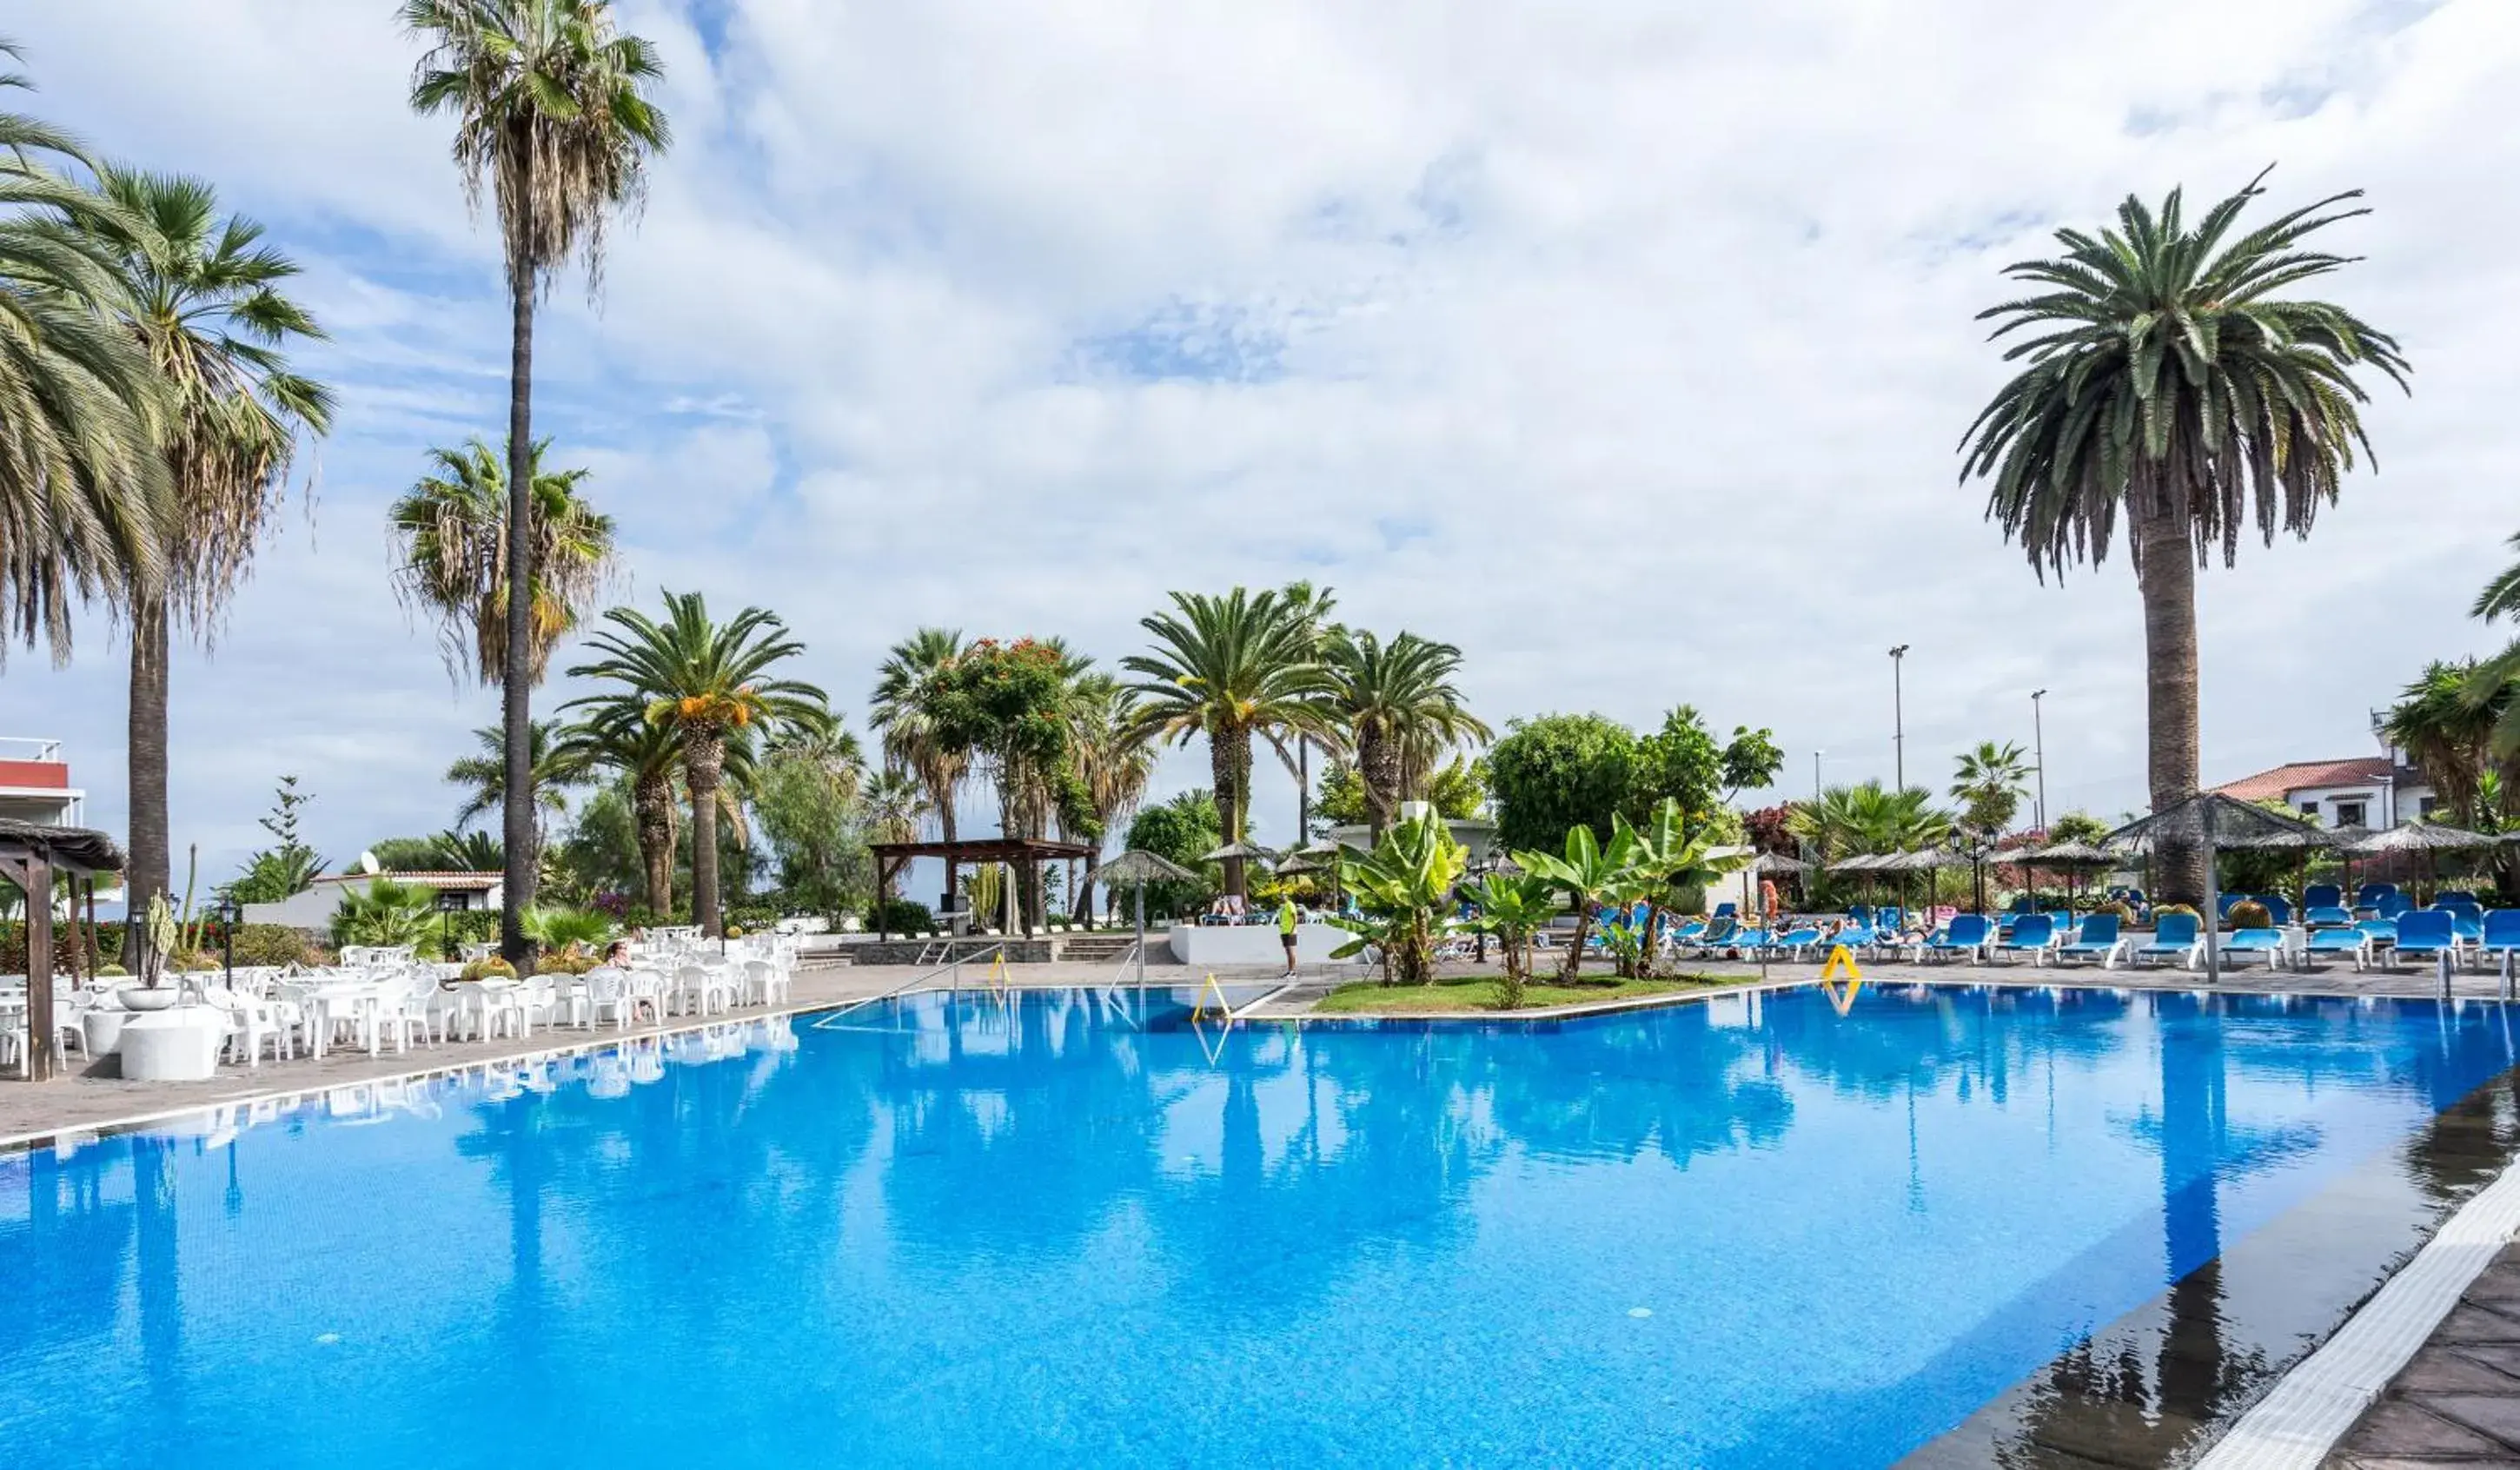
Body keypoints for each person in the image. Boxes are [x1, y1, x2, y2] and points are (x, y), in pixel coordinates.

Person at [1277, 894, 1300, 977]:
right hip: (1284, 931)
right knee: (1288, 952)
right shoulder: (1283, 906)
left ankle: (1292, 971)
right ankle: (1290, 970)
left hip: (1290, 932)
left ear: (1287, 896)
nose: (1281, 897)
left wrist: (1293, 929)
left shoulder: (1290, 905)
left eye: (1283, 895)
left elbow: (1295, 917)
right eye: (1280, 896)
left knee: (1291, 952)